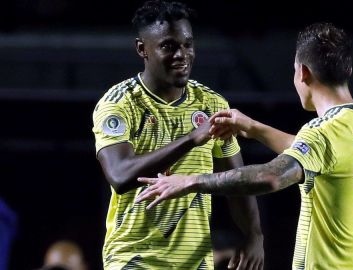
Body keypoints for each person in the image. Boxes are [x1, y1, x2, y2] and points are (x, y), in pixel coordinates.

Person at [136, 22, 353, 269]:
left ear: (303, 73)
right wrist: (252, 127)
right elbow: (314, 153)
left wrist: (189, 182)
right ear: (349, 69)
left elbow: (271, 176)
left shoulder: (323, 132)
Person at [91, 1, 264, 269]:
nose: (182, 54)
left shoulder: (212, 104)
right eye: (168, 46)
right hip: (134, 257)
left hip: (195, 260)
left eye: (188, 44)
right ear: (142, 49)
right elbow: (120, 175)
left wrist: (254, 235)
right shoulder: (119, 103)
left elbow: (236, 183)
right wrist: (193, 138)